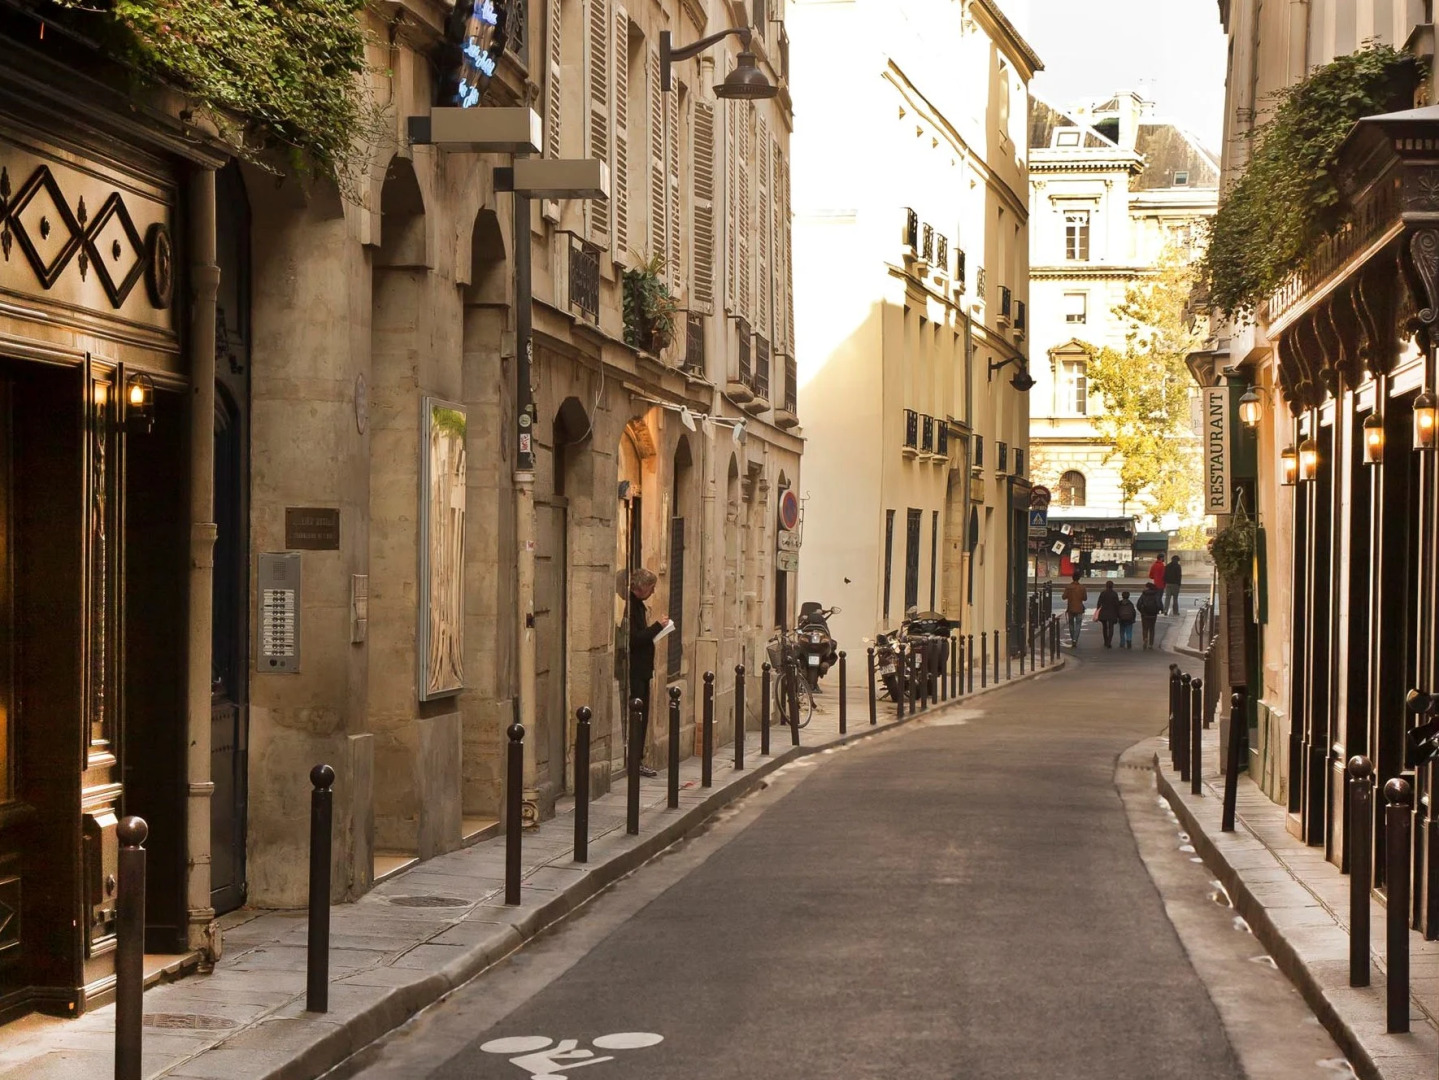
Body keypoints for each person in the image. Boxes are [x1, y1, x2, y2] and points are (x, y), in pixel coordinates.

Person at [627, 567, 669, 778]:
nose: (653, 592)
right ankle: (635, 761)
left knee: (641, 716)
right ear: (642, 587)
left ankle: (637, 759)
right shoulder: (631, 607)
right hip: (636, 671)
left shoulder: (637, 606)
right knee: (638, 716)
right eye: (652, 588)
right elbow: (634, 639)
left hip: (642, 670)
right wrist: (657, 627)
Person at [1061, 572, 1088, 647]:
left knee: (1071, 624)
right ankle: (1075, 639)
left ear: (1072, 578)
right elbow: (1085, 598)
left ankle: (1073, 638)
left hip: (1070, 608)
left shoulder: (1069, 587)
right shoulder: (1082, 587)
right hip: (1079, 608)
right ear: (1079, 578)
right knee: (1078, 624)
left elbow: (1063, 597)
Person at [1095, 581, 1121, 648]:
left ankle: (1105, 641)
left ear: (1106, 586)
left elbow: (1099, 603)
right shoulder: (1114, 594)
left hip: (1104, 612)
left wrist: (1098, 610)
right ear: (1112, 586)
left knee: (1104, 627)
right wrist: (1118, 614)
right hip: (1112, 612)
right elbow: (1117, 604)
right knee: (1111, 627)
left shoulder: (1103, 593)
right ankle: (1109, 641)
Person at [1137, 582, 1162, 649]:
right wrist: (1158, 610)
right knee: (1152, 629)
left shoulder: (1144, 594)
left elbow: (1138, 604)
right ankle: (1151, 644)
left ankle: (1145, 638)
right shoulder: (1156, 594)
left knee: (1145, 628)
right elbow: (1159, 604)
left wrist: (1141, 611)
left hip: (1145, 614)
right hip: (1153, 614)